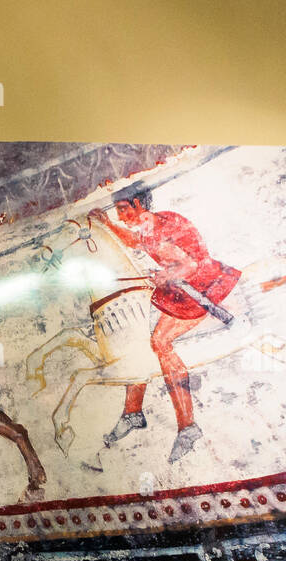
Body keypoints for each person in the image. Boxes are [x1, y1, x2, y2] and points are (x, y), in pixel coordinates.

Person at [89, 183, 241, 463]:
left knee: (159, 342)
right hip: (183, 287)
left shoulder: (157, 230)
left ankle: (187, 427)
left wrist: (162, 277)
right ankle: (133, 413)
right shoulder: (151, 224)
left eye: (124, 210)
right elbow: (136, 242)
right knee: (139, 339)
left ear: (138, 204)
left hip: (200, 287)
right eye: (119, 212)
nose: (122, 217)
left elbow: (190, 266)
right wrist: (107, 223)